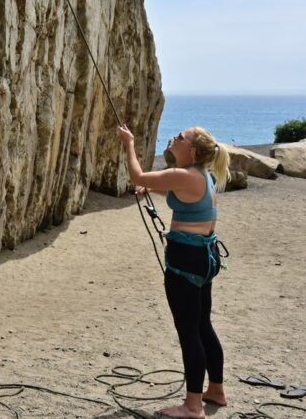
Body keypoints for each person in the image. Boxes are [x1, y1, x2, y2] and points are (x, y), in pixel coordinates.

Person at [117, 124, 231, 418]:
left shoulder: (185, 174)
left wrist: (129, 143)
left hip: (187, 259)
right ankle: (215, 390)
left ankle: (193, 406)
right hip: (205, 256)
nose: (174, 138)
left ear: (191, 150)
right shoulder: (202, 175)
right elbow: (175, 188)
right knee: (203, 325)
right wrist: (151, 187)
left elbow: (137, 175)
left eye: (181, 137)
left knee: (188, 331)